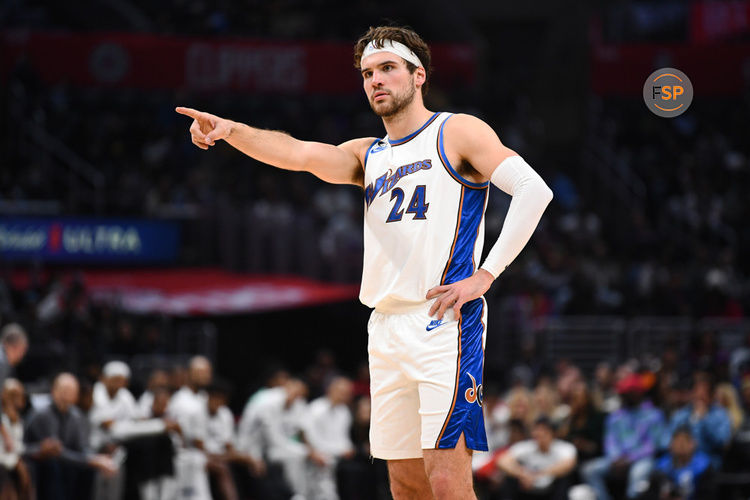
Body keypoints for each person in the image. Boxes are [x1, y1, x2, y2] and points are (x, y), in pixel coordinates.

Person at [177, 24, 552, 499]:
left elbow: (533, 190)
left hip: (444, 323)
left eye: (388, 69)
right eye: (368, 73)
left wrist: (486, 274)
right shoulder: (366, 154)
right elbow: (296, 153)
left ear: (418, 76)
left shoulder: (456, 130)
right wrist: (232, 132)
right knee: (405, 484)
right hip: (386, 326)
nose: (376, 80)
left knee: (446, 480)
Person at [24, 373, 117, 500]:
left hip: (67, 461)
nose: (65, 395)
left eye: (70, 391)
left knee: (89, 470)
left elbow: (81, 447)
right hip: (40, 462)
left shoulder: (76, 415)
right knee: (53, 465)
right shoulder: (42, 414)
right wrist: (91, 461)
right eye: (63, 390)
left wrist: (96, 458)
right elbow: (56, 452)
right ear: (54, 391)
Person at [580, 373, 665, 500]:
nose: (623, 396)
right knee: (589, 470)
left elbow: (655, 445)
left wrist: (630, 459)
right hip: (617, 460)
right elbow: (610, 441)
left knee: (638, 473)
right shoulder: (615, 416)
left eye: (627, 393)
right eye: (622, 393)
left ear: (638, 393)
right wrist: (615, 458)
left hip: (643, 459)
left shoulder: (653, 414)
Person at [661, 374, 731, 469]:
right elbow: (666, 440)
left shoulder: (720, 414)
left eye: (703, 395)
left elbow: (721, 442)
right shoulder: (681, 414)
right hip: (680, 460)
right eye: (696, 393)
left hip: (709, 461)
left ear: (711, 396)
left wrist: (705, 419)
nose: (698, 397)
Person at [497, 417, 576, 500]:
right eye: (536, 430)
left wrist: (539, 475)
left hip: (551, 488)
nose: (539, 433)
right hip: (527, 486)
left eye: (543, 430)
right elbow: (502, 461)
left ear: (552, 433)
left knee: (564, 480)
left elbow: (568, 464)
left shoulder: (564, 448)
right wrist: (522, 474)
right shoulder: (527, 446)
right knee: (508, 479)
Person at [648, 427, 715, 500]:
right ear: (671, 445)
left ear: (693, 444)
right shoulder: (661, 466)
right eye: (677, 441)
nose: (681, 445)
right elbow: (651, 493)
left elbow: (709, 495)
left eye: (685, 441)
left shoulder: (704, 466)